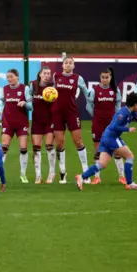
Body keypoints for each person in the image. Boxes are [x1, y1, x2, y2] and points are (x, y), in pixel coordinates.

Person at [76, 92, 137, 191]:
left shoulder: (132, 112)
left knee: (102, 164)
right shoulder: (122, 113)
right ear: (135, 104)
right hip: (111, 138)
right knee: (130, 156)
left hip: (107, 138)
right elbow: (114, 126)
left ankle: (81, 177)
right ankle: (130, 183)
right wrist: (128, 129)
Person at [52, 56, 91, 184]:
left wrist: (90, 105)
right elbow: (50, 91)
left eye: (71, 63)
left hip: (72, 113)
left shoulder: (78, 78)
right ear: (62, 65)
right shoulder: (56, 76)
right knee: (60, 143)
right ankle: (62, 172)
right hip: (57, 113)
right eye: (66, 63)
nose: (68, 65)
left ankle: (86, 171)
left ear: (74, 66)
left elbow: (86, 92)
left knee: (78, 141)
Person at [86, 67, 125, 185]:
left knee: (117, 150)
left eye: (107, 77)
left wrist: (117, 118)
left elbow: (118, 106)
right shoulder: (94, 90)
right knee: (98, 150)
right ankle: (97, 177)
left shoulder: (116, 90)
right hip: (98, 123)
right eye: (103, 77)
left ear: (110, 77)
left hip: (112, 125)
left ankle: (122, 176)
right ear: (100, 78)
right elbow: (88, 106)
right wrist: (96, 116)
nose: (105, 80)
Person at [0, 69, 33, 183]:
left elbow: (31, 106)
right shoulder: (4, 89)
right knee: (4, 148)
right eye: (7, 77)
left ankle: (23, 174)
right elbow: (2, 104)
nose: (9, 79)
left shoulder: (25, 88)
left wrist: (24, 103)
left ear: (17, 76)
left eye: (11, 76)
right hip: (8, 122)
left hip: (21, 123)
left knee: (23, 149)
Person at [29, 65, 61, 184]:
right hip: (37, 120)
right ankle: (38, 175)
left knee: (49, 146)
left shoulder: (53, 88)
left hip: (50, 120)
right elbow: (28, 98)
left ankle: (51, 173)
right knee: (36, 148)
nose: (47, 76)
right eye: (45, 73)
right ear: (40, 75)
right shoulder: (32, 85)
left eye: (49, 74)